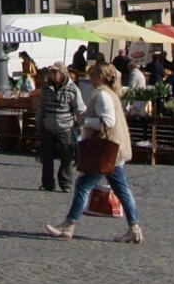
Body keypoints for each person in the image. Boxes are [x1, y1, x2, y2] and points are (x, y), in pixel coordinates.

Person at [46, 63, 142, 244]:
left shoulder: (103, 95)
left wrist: (85, 121)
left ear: (100, 76)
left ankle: (69, 225)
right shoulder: (110, 94)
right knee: (122, 189)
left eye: (91, 74)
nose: (89, 78)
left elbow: (108, 122)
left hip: (105, 150)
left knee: (83, 185)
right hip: (114, 149)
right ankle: (134, 228)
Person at [33, 63, 83, 193]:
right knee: (47, 158)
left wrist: (80, 124)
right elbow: (41, 107)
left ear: (62, 73)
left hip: (65, 127)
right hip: (48, 126)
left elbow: (80, 108)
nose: (52, 74)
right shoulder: (46, 88)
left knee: (67, 157)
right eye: (52, 72)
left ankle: (65, 182)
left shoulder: (72, 89)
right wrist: (38, 121)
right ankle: (47, 183)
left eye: (55, 72)